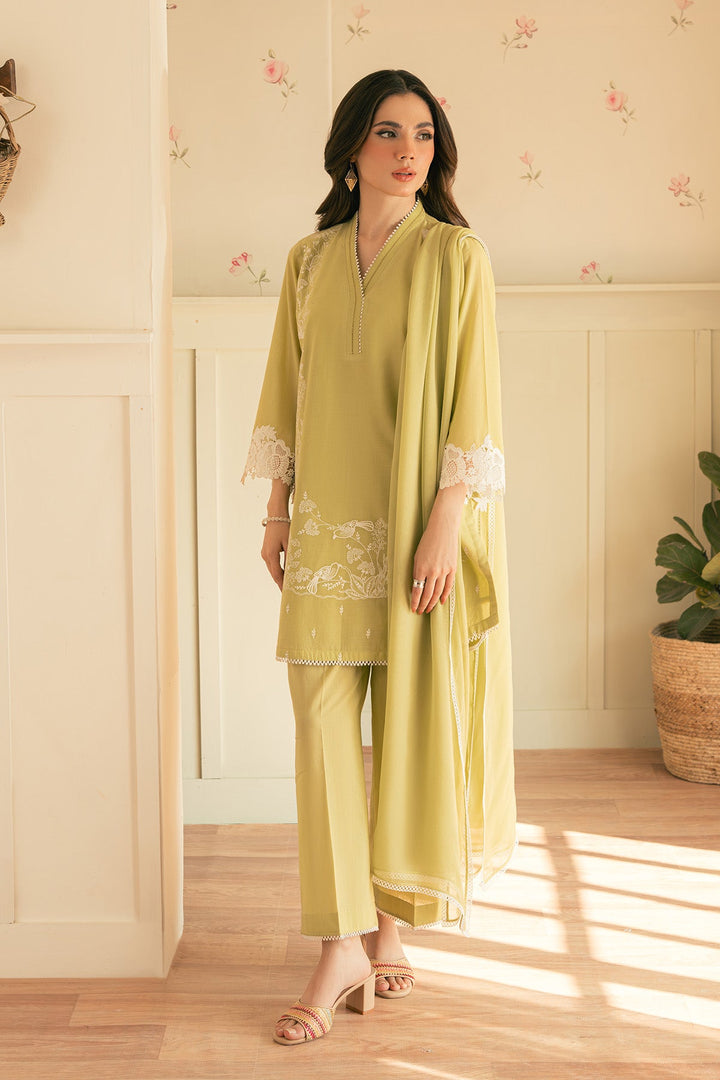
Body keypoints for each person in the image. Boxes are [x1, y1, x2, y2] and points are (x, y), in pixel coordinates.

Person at [242, 69, 516, 1046]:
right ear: (351, 146)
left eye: (424, 135)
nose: (409, 150)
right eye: (390, 132)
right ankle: (342, 941)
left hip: (415, 528)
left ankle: (384, 927)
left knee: (405, 735)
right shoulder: (308, 261)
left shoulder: (456, 256)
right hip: (324, 529)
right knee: (322, 735)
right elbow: (288, 384)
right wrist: (276, 507)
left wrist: (447, 519)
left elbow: (474, 394)